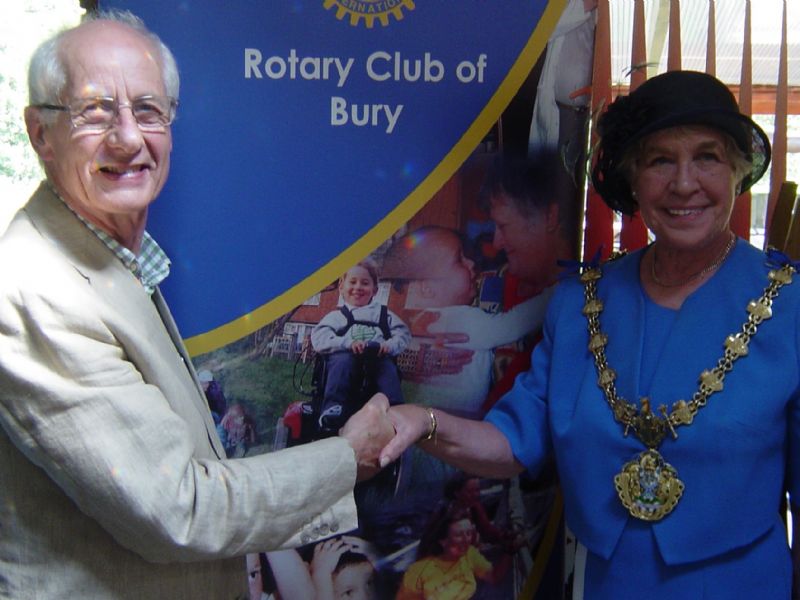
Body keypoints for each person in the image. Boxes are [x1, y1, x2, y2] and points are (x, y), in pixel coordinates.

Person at [0, 10, 394, 599]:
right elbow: (179, 509)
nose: (128, 137)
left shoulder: (112, 257)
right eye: (94, 110)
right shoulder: (34, 291)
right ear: (39, 134)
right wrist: (346, 458)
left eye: (149, 110)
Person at [380, 70, 799, 599]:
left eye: (708, 157)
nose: (684, 183)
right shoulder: (582, 303)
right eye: (659, 160)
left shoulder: (790, 308)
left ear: (738, 171)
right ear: (632, 178)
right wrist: (422, 421)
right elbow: (513, 442)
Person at [381, 225, 552, 417]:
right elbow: (513, 324)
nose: (471, 263)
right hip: (453, 424)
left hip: (418, 423)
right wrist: (553, 294)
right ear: (427, 288)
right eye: (459, 260)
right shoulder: (460, 319)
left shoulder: (411, 322)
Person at [311, 259, 411, 435]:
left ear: (375, 289)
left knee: (387, 366)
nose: (358, 287)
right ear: (341, 286)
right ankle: (334, 409)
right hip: (346, 364)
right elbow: (319, 338)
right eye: (353, 282)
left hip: (376, 361)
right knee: (342, 360)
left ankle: (395, 410)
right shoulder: (336, 316)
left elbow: (403, 334)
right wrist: (347, 343)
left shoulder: (384, 315)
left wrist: (388, 345)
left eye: (365, 283)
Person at [396, 511, 512, 600]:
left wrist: (509, 551)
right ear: (443, 541)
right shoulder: (418, 571)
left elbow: (494, 577)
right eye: (459, 535)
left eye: (468, 533)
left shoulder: (470, 554)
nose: (466, 540)